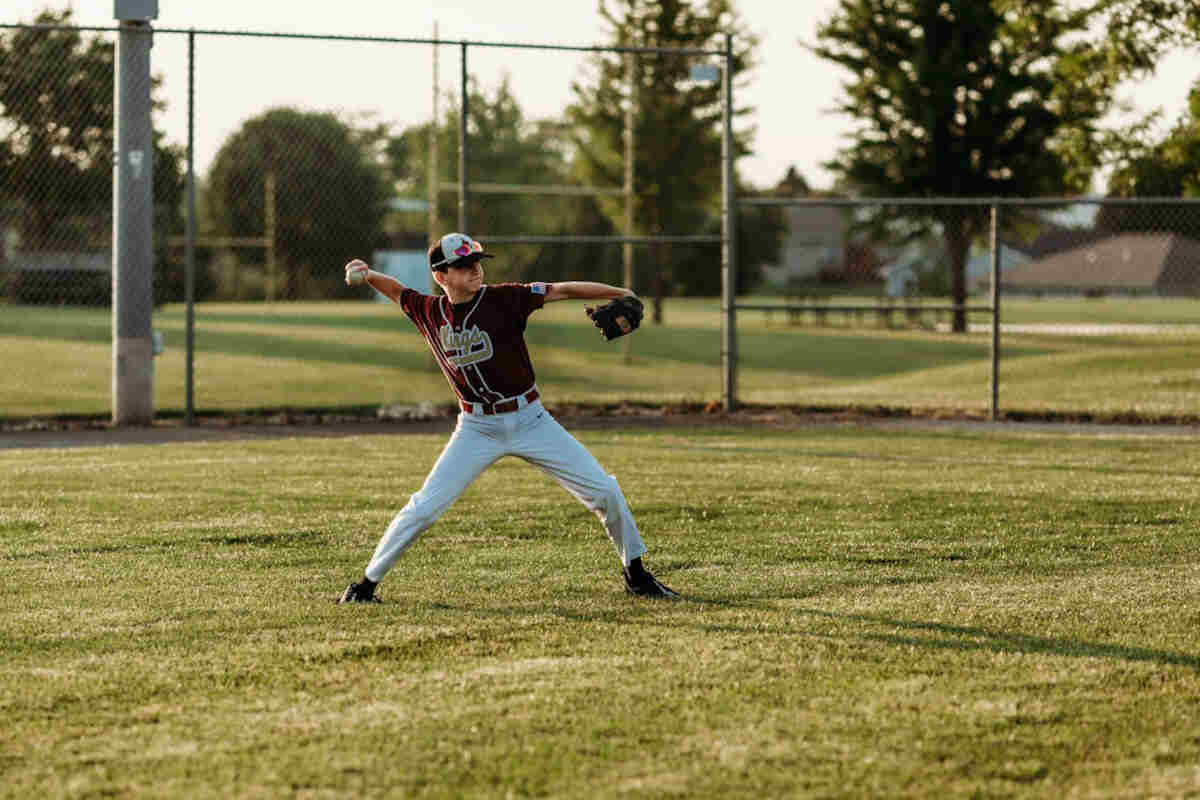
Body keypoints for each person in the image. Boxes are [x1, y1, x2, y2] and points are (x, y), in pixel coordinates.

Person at [337, 232, 678, 603]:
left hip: (531, 419)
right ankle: (365, 586)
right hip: (476, 428)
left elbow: (561, 290)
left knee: (606, 491)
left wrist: (619, 293)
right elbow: (397, 290)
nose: (475, 271)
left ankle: (637, 575)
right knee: (424, 508)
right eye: (463, 266)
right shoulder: (428, 311)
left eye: (477, 263)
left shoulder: (505, 298)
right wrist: (368, 274)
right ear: (441, 276)